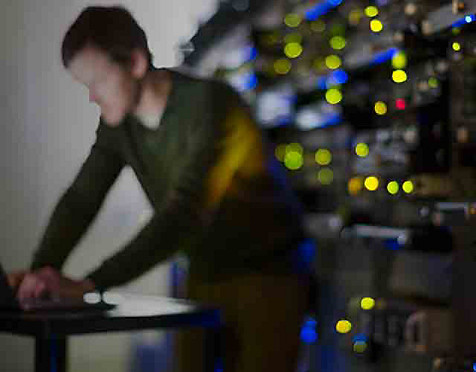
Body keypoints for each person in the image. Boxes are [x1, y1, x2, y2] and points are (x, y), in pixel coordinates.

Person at [8, 6, 313, 372]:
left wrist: (91, 284)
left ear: (135, 63)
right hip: (203, 277)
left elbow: (185, 213)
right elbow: (81, 199)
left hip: (270, 277)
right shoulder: (119, 125)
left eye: (97, 82)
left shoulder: (213, 106)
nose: (92, 96)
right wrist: (40, 275)